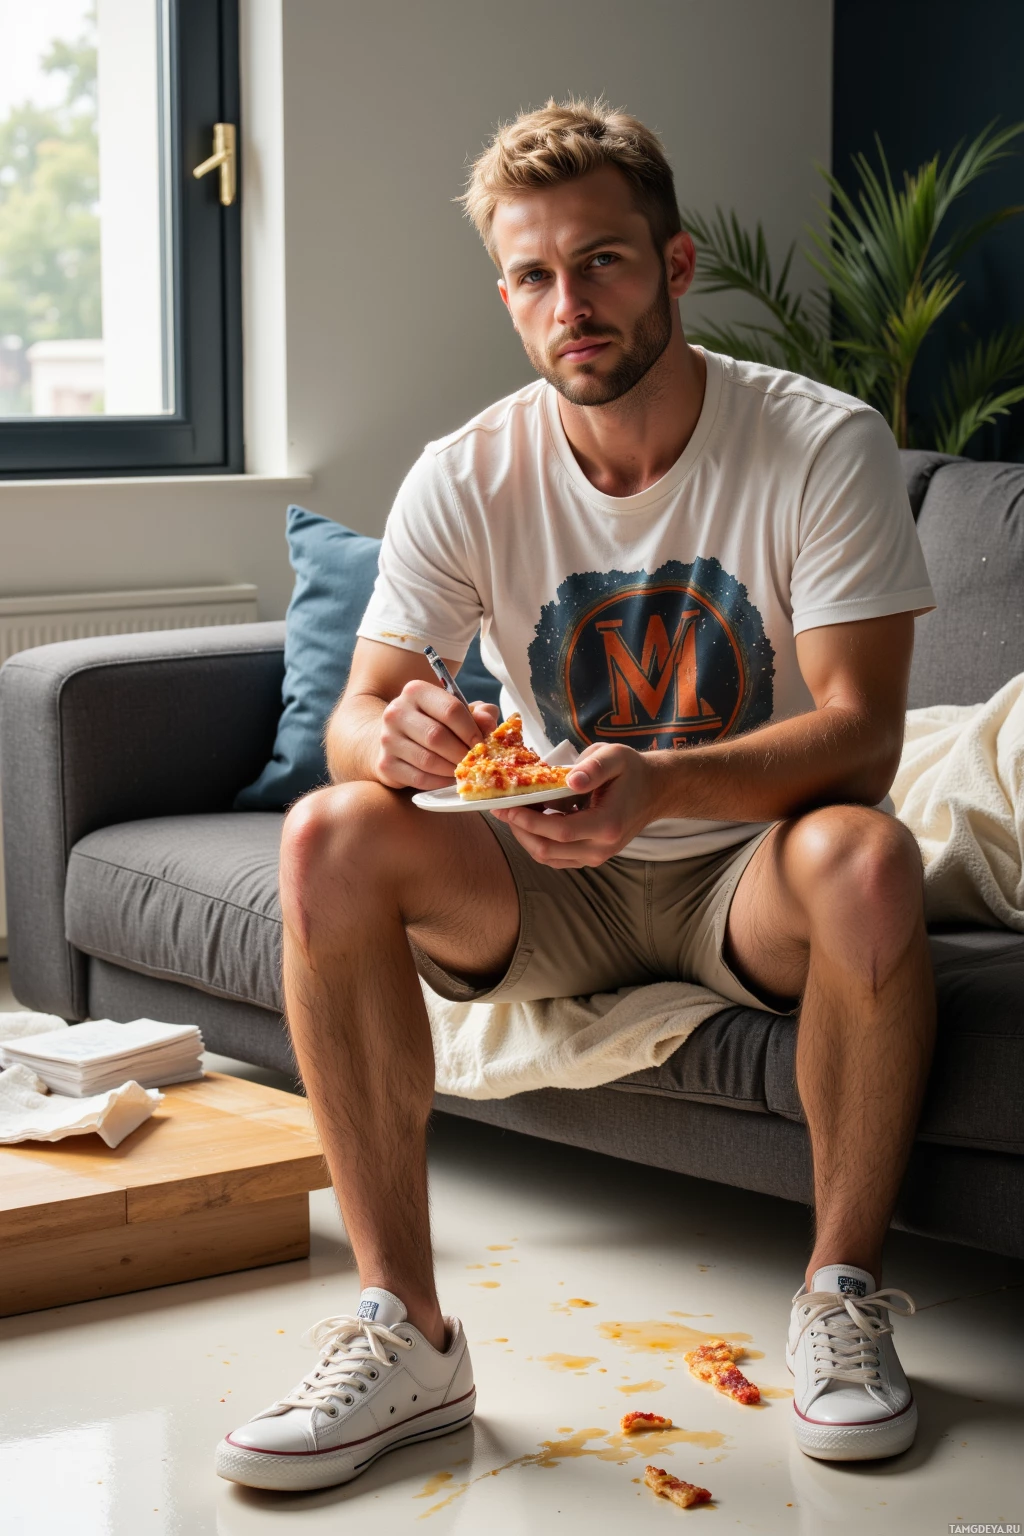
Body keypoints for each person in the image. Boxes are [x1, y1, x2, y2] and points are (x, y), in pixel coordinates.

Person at [216, 99, 936, 1493]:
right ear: (507, 296)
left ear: (673, 268)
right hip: (544, 875)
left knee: (870, 857)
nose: (572, 304)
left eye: (602, 263)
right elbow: (358, 721)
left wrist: (660, 786)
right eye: (536, 277)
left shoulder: (819, 442)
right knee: (327, 838)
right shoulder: (465, 471)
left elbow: (863, 736)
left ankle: (841, 1299)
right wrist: (402, 735)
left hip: (747, 870)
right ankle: (408, 1333)